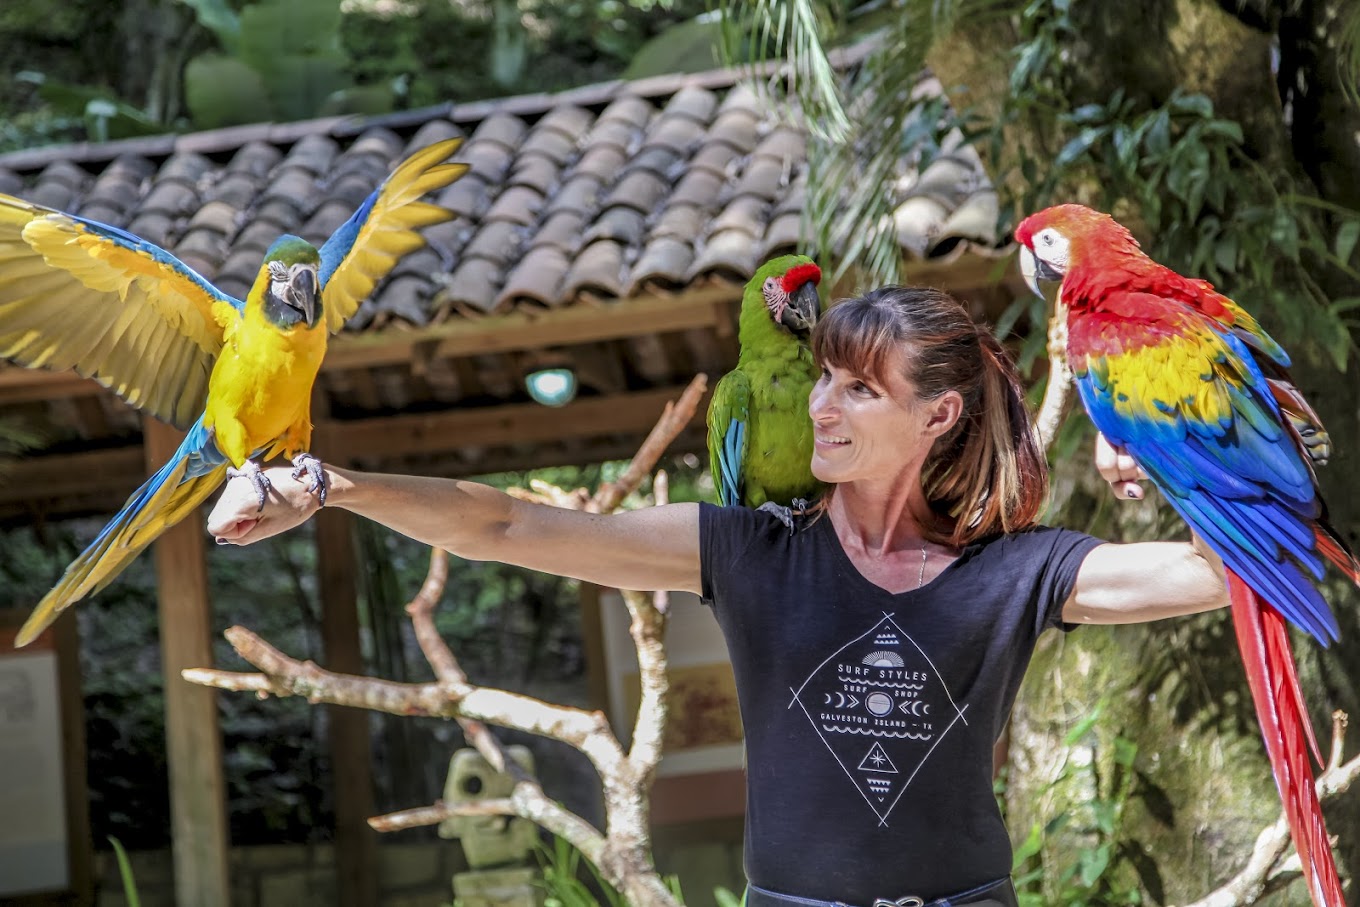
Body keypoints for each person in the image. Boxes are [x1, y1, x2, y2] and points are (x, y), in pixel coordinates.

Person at [209, 285, 1228, 907]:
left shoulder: (1016, 572)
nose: (820, 405)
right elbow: (509, 524)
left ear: (939, 417)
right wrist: (340, 486)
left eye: (859, 390)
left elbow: (1220, 573)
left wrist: (1169, 450)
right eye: (823, 377)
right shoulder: (753, 553)